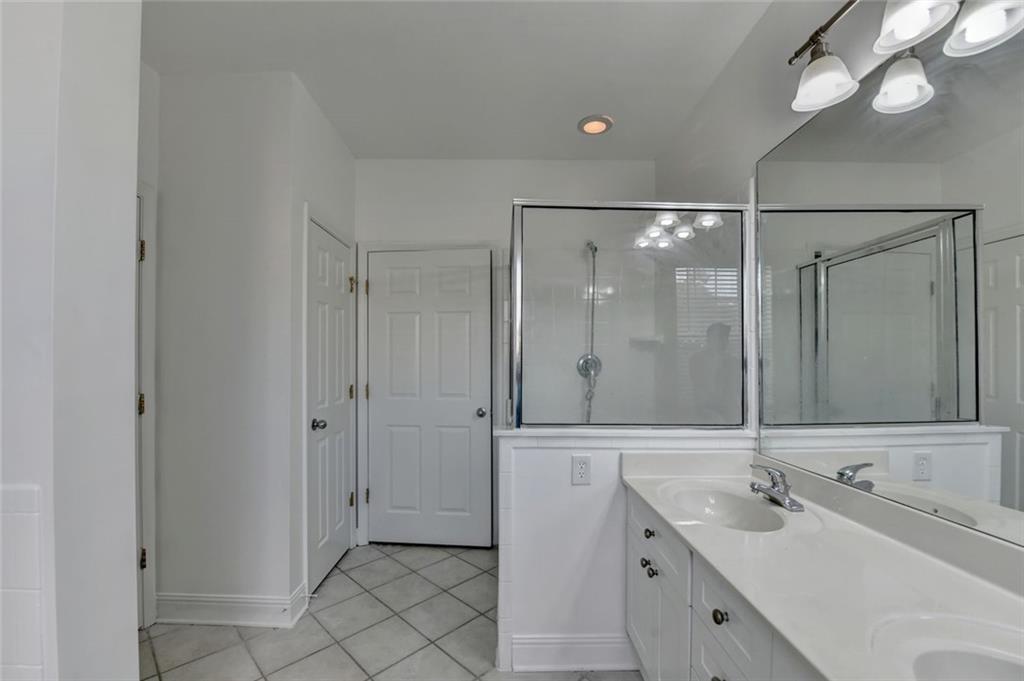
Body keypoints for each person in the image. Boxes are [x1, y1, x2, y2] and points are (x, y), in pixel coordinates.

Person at [689, 322, 741, 424]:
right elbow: (700, 386)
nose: (724, 341)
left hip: (729, 409)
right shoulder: (697, 360)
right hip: (706, 409)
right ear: (709, 339)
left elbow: (736, 388)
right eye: (720, 337)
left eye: (726, 337)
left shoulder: (732, 361)